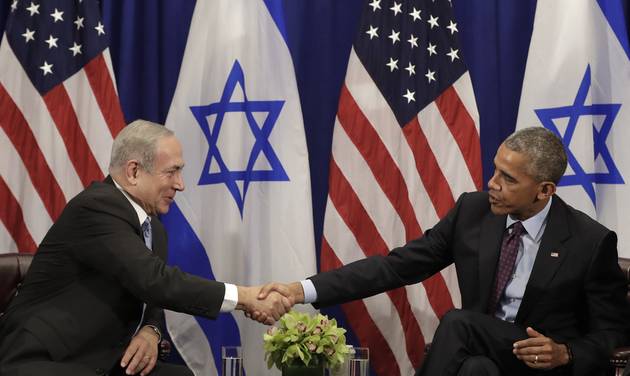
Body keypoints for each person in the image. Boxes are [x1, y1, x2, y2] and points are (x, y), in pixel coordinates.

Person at [259, 127, 630, 376]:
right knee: (475, 369)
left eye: (508, 179)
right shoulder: (474, 212)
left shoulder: (589, 241)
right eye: (496, 170)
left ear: (545, 190)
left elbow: (612, 334)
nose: (492, 184)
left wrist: (565, 353)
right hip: (481, 359)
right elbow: (395, 267)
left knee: (457, 322)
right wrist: (300, 290)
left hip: (537, 363)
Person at [0, 120, 291, 376]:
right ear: (134, 171)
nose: (181, 184)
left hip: (106, 359)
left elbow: (150, 298)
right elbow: (154, 280)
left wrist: (151, 331)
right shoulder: (97, 207)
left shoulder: (154, 229)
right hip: (48, 359)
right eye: (172, 172)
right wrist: (245, 297)